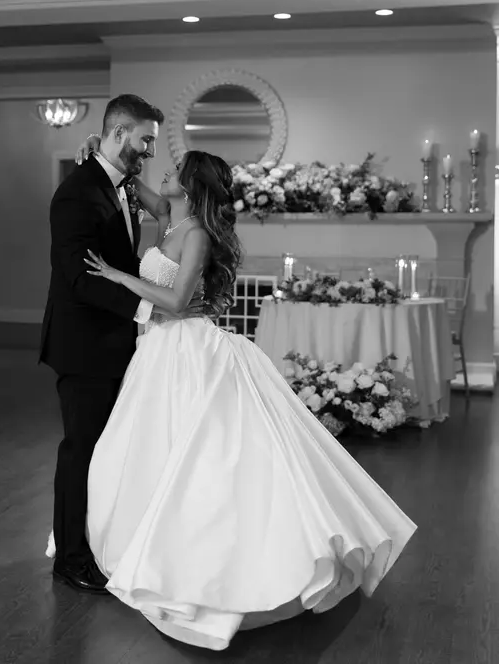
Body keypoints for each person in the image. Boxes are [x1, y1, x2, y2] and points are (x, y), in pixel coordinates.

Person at [45, 137, 417, 651]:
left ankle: (200, 557)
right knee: (143, 448)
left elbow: (178, 301)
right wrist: (100, 155)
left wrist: (118, 277)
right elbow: (132, 183)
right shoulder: (169, 216)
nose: (165, 171)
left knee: (196, 452)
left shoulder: (196, 233)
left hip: (184, 348)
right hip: (155, 352)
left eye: (176, 169)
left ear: (191, 185)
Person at [39, 95, 209, 595]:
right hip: (84, 345)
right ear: (118, 134)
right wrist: (150, 311)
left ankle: (105, 544)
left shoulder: (120, 185)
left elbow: (127, 258)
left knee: (112, 452)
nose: (151, 151)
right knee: (81, 450)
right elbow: (79, 278)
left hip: (120, 344)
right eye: (146, 140)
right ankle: (71, 559)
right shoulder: (76, 194)